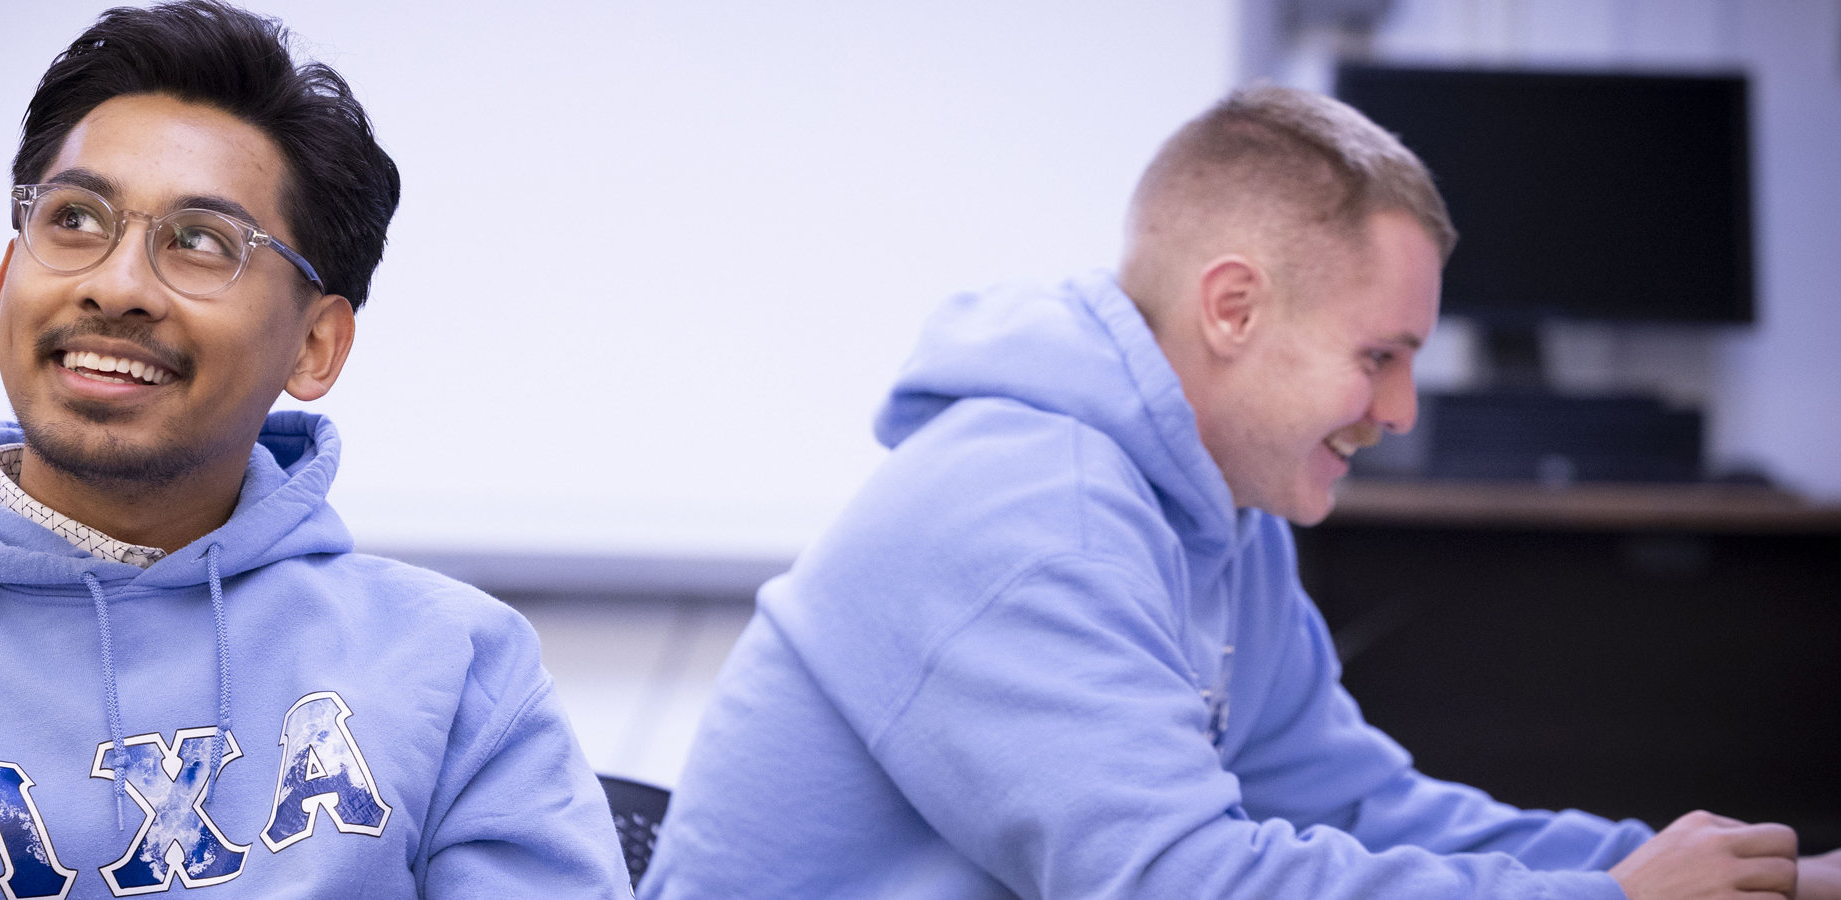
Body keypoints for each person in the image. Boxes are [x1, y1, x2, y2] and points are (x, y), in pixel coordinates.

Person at [640, 86, 1838, 899]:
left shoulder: (1222, 514)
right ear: (1232, 308)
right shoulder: (1030, 513)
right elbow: (1179, 882)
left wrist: (1745, 875)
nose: (1401, 410)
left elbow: (1356, 809)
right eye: (1378, 355)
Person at [0, 3, 629, 897]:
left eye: (201, 241)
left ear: (315, 346)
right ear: (2, 287)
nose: (116, 286)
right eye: (74, 220)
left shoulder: (455, 665)